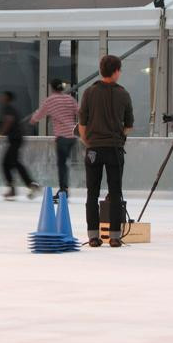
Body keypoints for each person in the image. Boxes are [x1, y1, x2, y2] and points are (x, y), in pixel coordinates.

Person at [79, 55, 133, 248]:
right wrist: (119, 137)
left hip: (93, 149)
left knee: (92, 193)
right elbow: (129, 125)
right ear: (116, 70)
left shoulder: (89, 92)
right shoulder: (123, 94)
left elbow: (82, 123)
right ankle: (115, 236)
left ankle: (93, 236)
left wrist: (88, 142)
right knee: (115, 192)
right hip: (114, 149)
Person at [30, 78, 79, 203]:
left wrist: (33, 120)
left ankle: (63, 190)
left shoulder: (50, 100)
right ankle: (64, 189)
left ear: (52, 88)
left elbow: (39, 115)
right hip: (72, 136)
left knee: (62, 164)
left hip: (62, 137)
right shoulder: (70, 99)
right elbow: (79, 111)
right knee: (65, 163)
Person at [0, 91, 40, 200]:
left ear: (7, 98)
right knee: (13, 163)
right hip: (15, 139)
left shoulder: (8, 108)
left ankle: (21, 187)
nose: (0, 97)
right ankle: (29, 185)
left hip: (16, 139)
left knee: (7, 163)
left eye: (2, 96)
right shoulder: (9, 108)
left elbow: (8, 121)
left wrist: (0, 135)